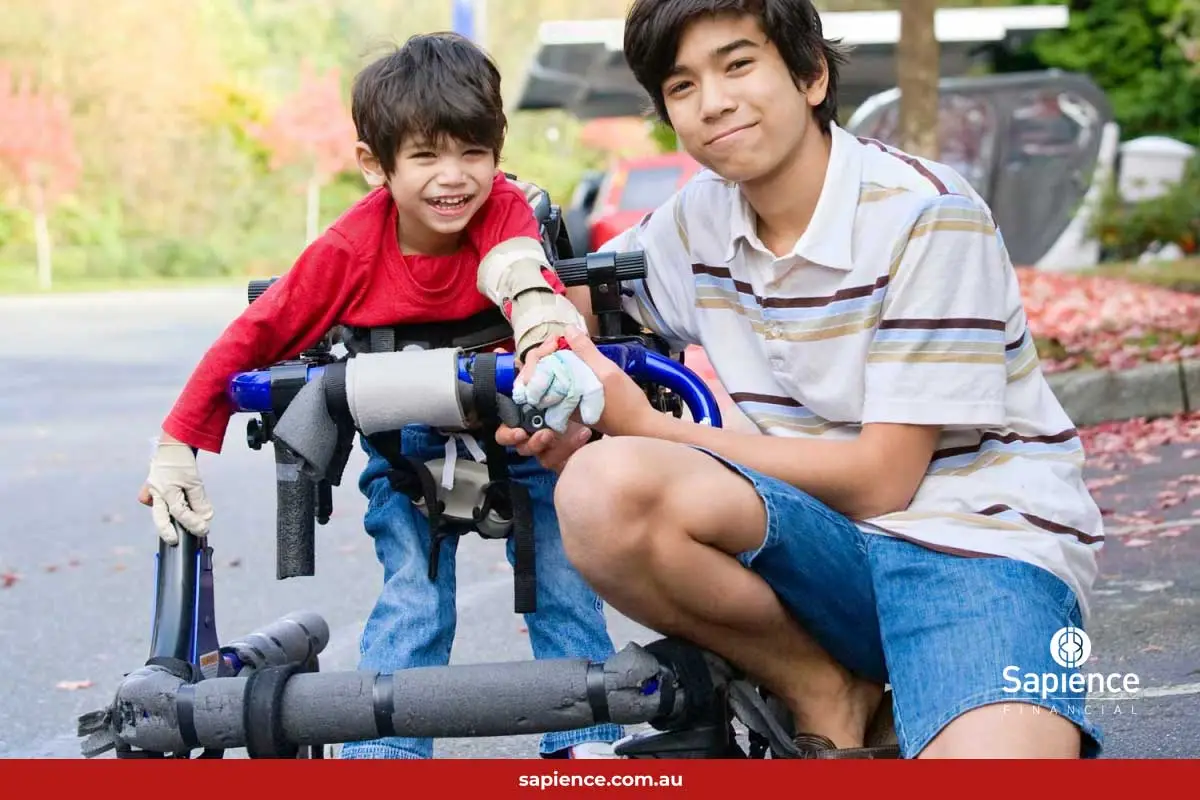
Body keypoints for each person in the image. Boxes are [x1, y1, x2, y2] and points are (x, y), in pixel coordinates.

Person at [500, 0, 1105, 759]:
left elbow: (884, 479)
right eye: (682, 87)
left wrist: (650, 426)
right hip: (824, 552)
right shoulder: (696, 221)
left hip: (974, 548)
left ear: (811, 75)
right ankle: (822, 688)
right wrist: (539, 344)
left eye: (738, 64)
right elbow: (573, 303)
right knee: (599, 488)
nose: (713, 101)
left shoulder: (925, 214)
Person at [137, 32, 622, 760]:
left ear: (497, 150)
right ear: (376, 165)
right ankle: (385, 760)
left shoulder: (503, 212)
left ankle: (584, 748)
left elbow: (525, 280)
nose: (453, 177)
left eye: (473, 153)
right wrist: (179, 440)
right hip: (405, 444)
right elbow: (256, 333)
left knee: (561, 578)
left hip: (522, 431)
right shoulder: (348, 250)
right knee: (413, 598)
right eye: (426, 156)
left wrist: (549, 345)